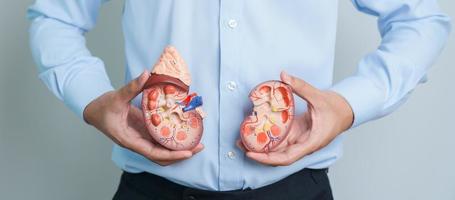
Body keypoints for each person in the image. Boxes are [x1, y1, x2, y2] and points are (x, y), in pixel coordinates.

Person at [27, 1, 451, 200]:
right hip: (152, 191)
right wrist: (93, 100)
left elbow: (420, 18)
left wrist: (349, 105)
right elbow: (55, 16)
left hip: (296, 191)